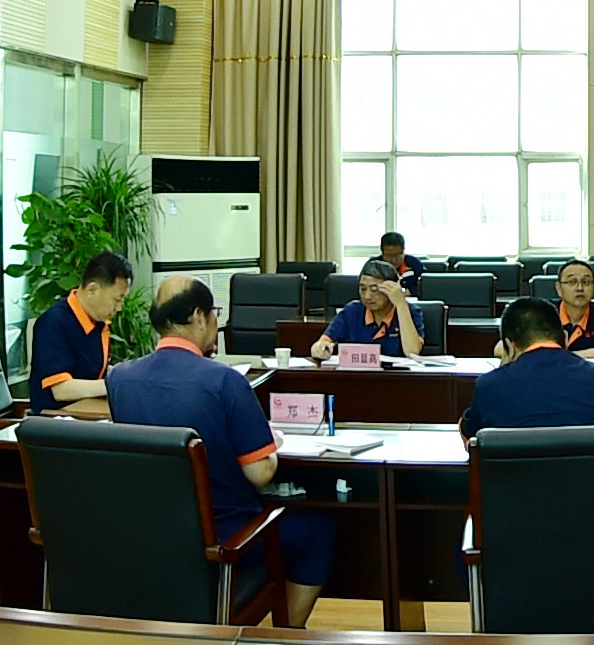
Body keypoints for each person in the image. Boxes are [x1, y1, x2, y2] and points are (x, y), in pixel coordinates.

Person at [107, 276, 334, 625]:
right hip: (225, 537)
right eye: (215, 313)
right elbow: (260, 473)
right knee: (318, 531)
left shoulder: (119, 379)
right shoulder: (225, 381)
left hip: (149, 539)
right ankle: (286, 634)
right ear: (199, 316)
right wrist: (272, 443)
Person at [460, 297, 594, 437]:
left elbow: (471, 439)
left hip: (517, 487)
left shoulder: (489, 386)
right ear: (564, 338)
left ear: (509, 346)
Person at [28, 250, 132, 413]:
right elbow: (61, 390)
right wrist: (115, 384)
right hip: (55, 420)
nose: (119, 308)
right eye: (117, 300)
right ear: (92, 289)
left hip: (88, 411)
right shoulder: (53, 323)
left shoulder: (98, 322)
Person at [313, 259, 426, 358]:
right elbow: (322, 342)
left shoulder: (411, 312)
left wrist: (400, 304)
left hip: (396, 376)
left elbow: (412, 352)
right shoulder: (352, 311)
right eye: (363, 289)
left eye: (374, 289)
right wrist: (320, 348)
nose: (367, 296)